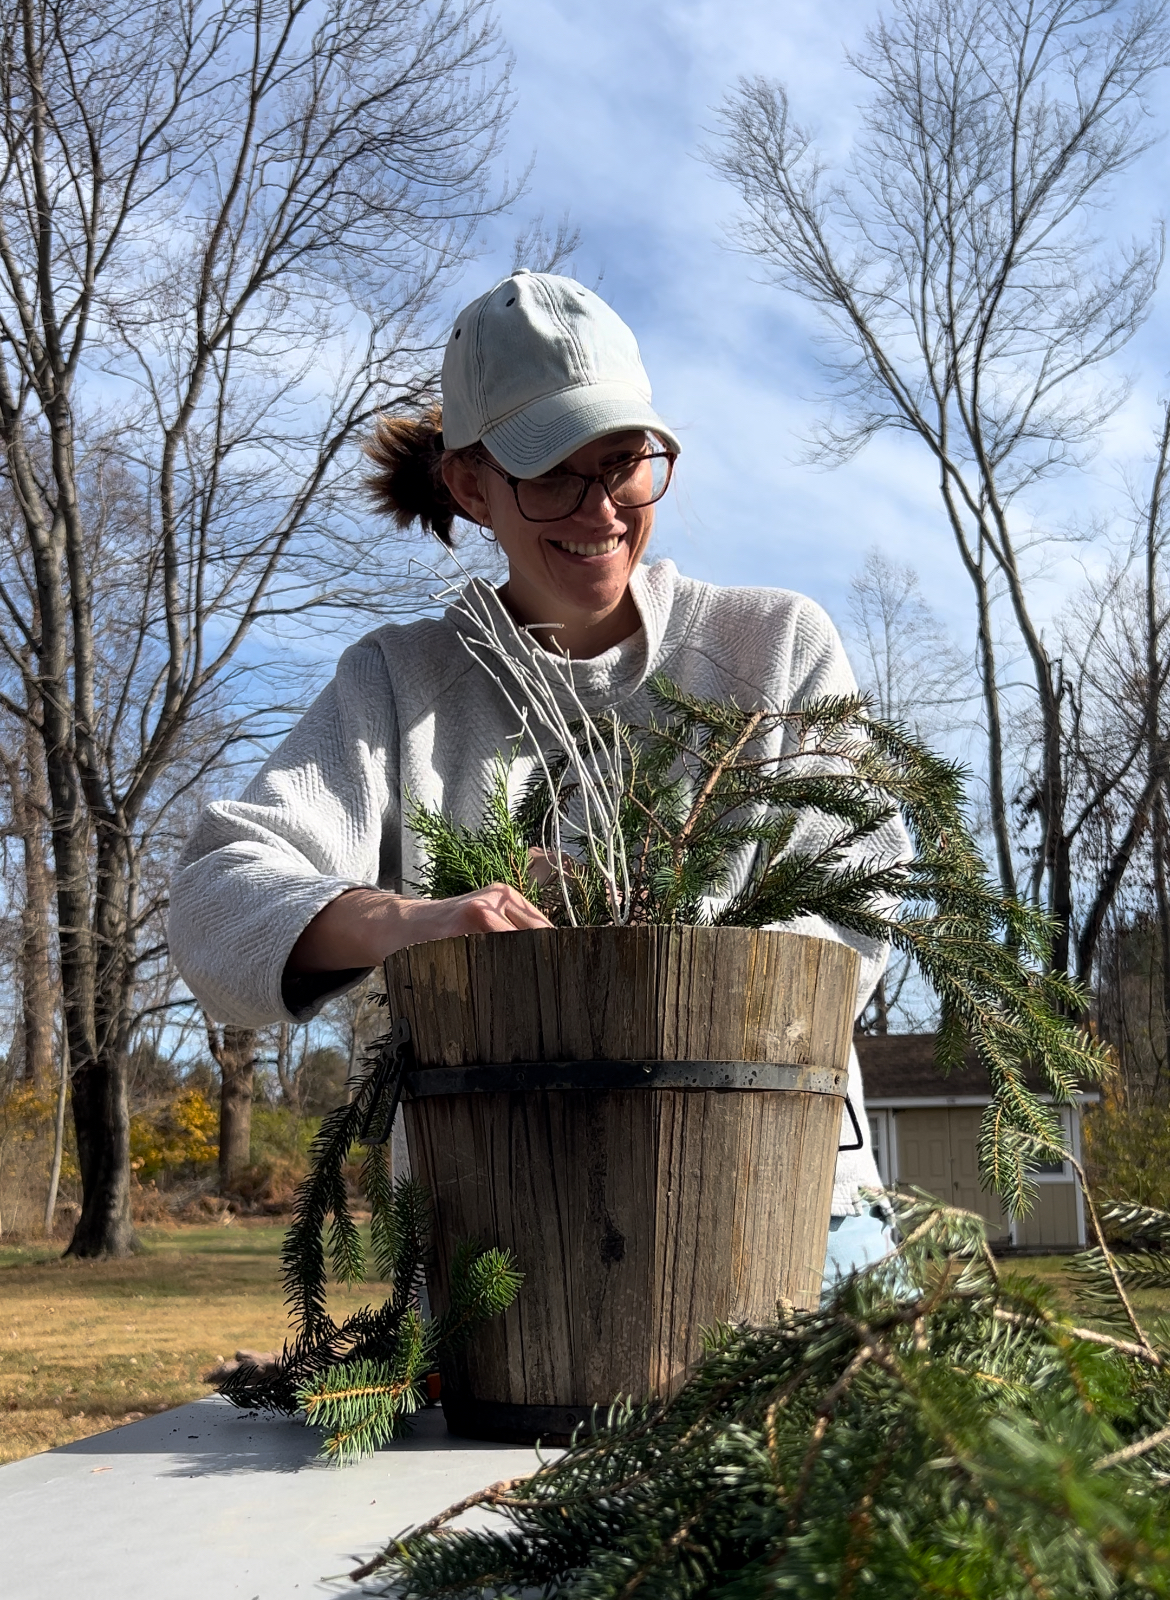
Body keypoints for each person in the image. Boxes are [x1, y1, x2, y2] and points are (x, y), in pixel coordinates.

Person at [169, 269, 907, 1277]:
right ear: (470, 484)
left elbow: (856, 898)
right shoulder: (399, 685)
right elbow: (216, 900)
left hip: (785, 1214)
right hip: (502, 1253)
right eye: (552, 472)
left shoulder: (773, 651)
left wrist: (659, 1018)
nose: (600, 508)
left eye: (624, 463)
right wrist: (410, 923)